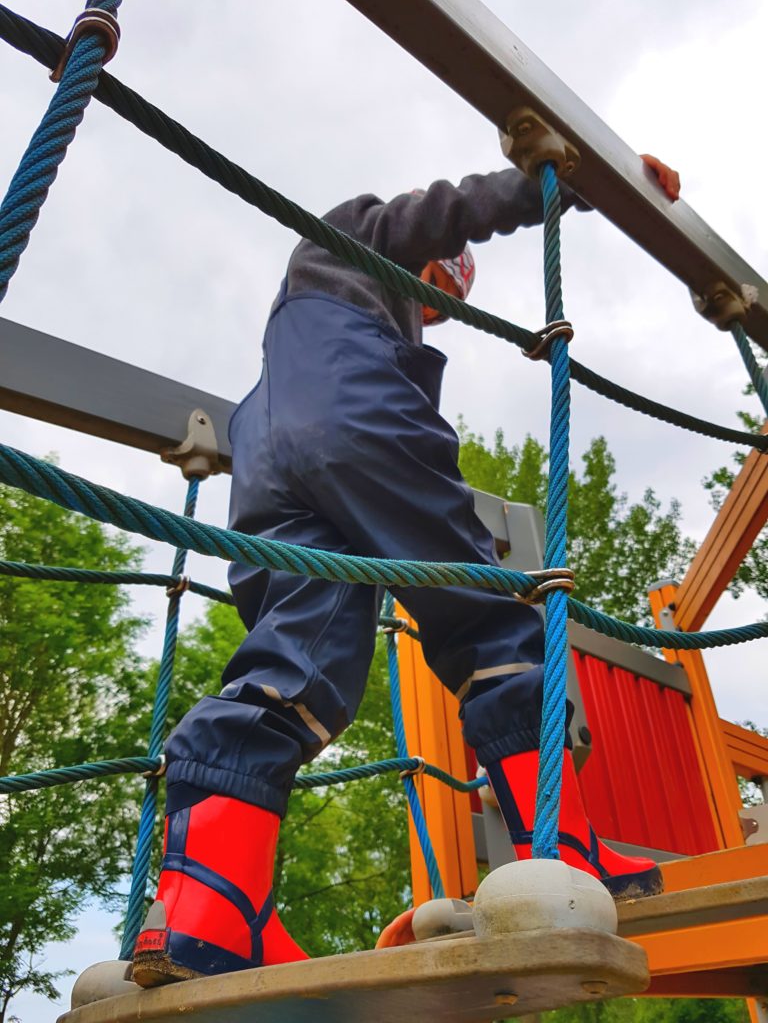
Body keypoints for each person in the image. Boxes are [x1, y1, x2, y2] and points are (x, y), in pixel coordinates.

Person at [131, 156, 680, 987]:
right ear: (431, 263)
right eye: (440, 290)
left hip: (265, 449)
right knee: (487, 613)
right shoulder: (357, 239)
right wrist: (565, 180)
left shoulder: (297, 330)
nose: (436, 310)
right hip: (355, 417)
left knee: (296, 661)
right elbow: (445, 208)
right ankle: (561, 844)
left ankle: (211, 907)